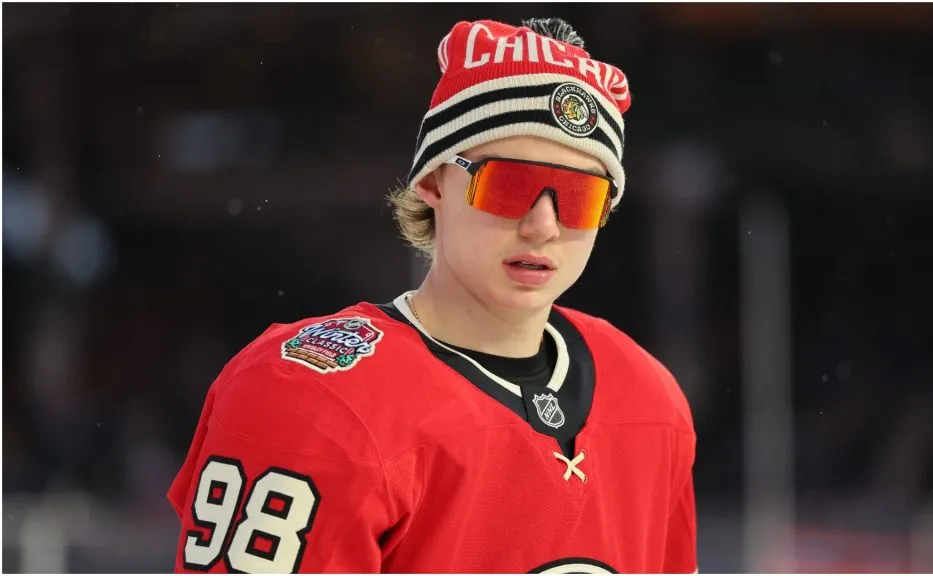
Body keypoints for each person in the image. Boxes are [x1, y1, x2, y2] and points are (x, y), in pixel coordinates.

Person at [168, 16, 697, 574]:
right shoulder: (309, 399)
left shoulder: (648, 397)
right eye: (508, 184)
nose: (543, 226)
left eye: (579, 195)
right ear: (432, 181)